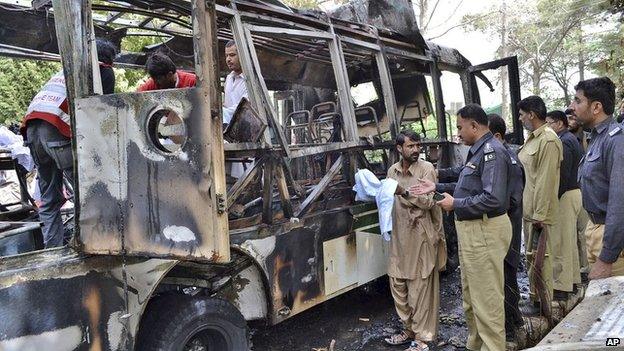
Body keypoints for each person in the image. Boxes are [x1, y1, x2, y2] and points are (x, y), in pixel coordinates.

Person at [411, 104, 512, 351]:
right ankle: (476, 346)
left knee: (486, 300)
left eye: (459, 127)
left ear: (474, 126)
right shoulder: (477, 151)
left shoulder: (492, 152)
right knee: (471, 299)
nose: (457, 133)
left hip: (484, 230)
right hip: (474, 231)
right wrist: (437, 187)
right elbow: (470, 185)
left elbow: (493, 198)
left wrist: (455, 203)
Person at [20, 39, 116, 248]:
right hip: (56, 130)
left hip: (32, 130)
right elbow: (103, 113)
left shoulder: (65, 71)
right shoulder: (103, 70)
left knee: (49, 198)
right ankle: (90, 244)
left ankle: (52, 249)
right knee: (88, 192)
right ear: (108, 59)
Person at [384, 130, 444, 351]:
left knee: (420, 289)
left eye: (418, 145)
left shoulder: (426, 169)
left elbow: (428, 202)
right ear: (399, 148)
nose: (416, 150)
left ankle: (423, 338)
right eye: (411, 146)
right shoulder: (393, 170)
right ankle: (408, 330)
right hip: (399, 237)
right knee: (398, 285)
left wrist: (405, 193)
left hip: (421, 236)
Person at [569, 77, 624, 279]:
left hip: (611, 238)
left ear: (596, 107)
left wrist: (607, 258)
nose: (571, 106)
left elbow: (619, 203)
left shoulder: (616, 140)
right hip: (595, 230)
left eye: (577, 101)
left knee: (611, 308)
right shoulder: (596, 137)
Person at [517, 96, 562, 315]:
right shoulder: (532, 139)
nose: (520, 119)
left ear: (531, 115)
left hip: (539, 213)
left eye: (521, 114)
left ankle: (543, 305)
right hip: (530, 210)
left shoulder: (548, 140)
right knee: (532, 258)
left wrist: (540, 215)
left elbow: (546, 180)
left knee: (541, 258)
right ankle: (535, 299)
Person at [487, 114, 524, 344]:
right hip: (507, 224)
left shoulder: (508, 160)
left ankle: (510, 327)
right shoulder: (504, 157)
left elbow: (510, 199)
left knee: (506, 274)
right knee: (505, 274)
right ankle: (516, 319)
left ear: (497, 136)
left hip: (507, 225)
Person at [545, 110, 583, 300]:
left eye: (550, 122)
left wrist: (553, 198)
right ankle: (573, 282)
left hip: (566, 194)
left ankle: (561, 287)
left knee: (560, 243)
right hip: (573, 193)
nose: (548, 126)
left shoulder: (564, 141)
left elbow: (563, 174)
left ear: (559, 124)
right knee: (569, 243)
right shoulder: (570, 139)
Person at [222, 40, 248, 126]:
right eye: (226, 56)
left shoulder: (249, 81)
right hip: (230, 128)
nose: (228, 59)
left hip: (246, 127)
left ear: (242, 56)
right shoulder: (229, 78)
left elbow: (244, 107)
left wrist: (222, 112)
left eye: (232, 55)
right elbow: (227, 104)